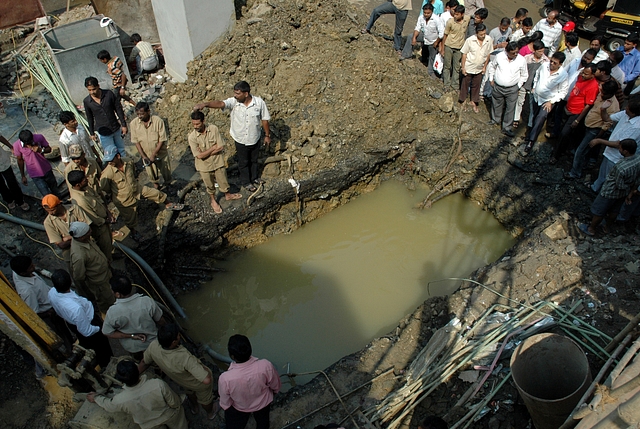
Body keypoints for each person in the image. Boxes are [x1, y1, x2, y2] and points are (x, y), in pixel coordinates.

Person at [194, 81, 271, 192]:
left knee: (254, 160)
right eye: (234, 93)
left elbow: (264, 119)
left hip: (254, 138)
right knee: (243, 162)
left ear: (246, 93)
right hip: (240, 139)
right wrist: (205, 104)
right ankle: (246, 182)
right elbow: (220, 103)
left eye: (238, 93)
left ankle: (255, 178)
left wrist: (267, 135)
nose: (235, 95)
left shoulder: (259, 103)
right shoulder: (234, 102)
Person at [99, 146, 183, 240]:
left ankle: (169, 204)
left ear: (118, 156)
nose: (109, 162)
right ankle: (134, 232)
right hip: (124, 199)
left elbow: (133, 172)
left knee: (155, 193)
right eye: (108, 160)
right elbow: (105, 188)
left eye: (111, 159)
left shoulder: (128, 161)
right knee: (130, 218)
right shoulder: (107, 173)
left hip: (137, 189)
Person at [139, 324, 218, 419]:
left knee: (189, 392)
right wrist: (207, 371)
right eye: (178, 335)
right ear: (174, 342)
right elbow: (206, 380)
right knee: (205, 399)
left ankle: (194, 408)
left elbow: (144, 362)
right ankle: (211, 412)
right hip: (198, 384)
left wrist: (133, 377)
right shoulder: (184, 357)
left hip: (181, 381)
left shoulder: (153, 346)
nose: (179, 336)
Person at [88, 360, 187, 429]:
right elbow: (174, 402)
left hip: (149, 424)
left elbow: (108, 405)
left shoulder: (120, 399)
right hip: (169, 415)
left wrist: (96, 397)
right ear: (137, 371)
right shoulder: (157, 384)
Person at [48, 269, 113, 368]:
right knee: (102, 349)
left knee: (87, 343)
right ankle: (108, 365)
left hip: (73, 324)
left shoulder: (52, 293)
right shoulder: (76, 309)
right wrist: (100, 328)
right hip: (89, 325)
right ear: (70, 281)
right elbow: (86, 331)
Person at [10, 255, 73, 353]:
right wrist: (48, 313)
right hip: (49, 314)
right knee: (61, 334)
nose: (34, 267)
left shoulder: (18, 272)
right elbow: (34, 313)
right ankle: (70, 351)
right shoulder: (27, 291)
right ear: (23, 273)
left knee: (64, 329)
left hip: (50, 302)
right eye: (31, 267)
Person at [218, 334, 281, 429]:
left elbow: (225, 403)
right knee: (263, 423)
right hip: (263, 404)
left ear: (232, 356)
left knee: (234, 424)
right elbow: (275, 386)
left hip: (240, 408)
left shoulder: (225, 378)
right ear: (250, 349)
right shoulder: (265, 365)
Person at [579, 139, 640, 236]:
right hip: (623, 193)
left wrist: (627, 188)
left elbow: (619, 185)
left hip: (610, 191)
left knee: (599, 210)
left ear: (625, 151)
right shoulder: (638, 159)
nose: (619, 149)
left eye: (620, 148)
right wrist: (630, 191)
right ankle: (606, 227)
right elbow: (637, 178)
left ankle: (591, 229)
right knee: (615, 210)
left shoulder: (620, 167)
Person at [188, 111, 243, 213]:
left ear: (203, 121)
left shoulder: (213, 129)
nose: (195, 126)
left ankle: (228, 195)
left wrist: (206, 153)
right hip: (204, 166)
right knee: (209, 185)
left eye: (198, 124)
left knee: (223, 180)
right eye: (193, 124)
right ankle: (213, 201)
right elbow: (199, 156)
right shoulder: (192, 137)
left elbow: (220, 147)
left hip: (218, 163)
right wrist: (212, 149)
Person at [568, 80, 620, 178]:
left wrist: (598, 137)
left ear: (610, 93)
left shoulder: (613, 106)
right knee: (585, 150)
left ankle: (575, 173)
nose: (601, 92)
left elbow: (608, 124)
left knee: (581, 150)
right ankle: (582, 165)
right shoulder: (601, 95)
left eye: (603, 92)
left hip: (595, 130)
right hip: (588, 125)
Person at [102, 275, 164, 358]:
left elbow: (107, 332)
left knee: (140, 360)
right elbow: (161, 321)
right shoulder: (146, 301)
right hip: (153, 342)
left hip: (133, 348)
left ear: (118, 294)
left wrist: (131, 335)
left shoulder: (112, 312)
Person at [550, 63, 599, 164]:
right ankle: (562, 149)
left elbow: (588, 105)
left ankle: (556, 155)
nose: (583, 75)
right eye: (583, 72)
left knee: (564, 133)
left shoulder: (593, 86)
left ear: (593, 75)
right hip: (568, 108)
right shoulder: (581, 78)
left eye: (586, 74)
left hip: (576, 113)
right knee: (562, 130)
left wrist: (577, 120)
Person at [589, 97, 640, 192]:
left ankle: (602, 195)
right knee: (603, 173)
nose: (625, 108)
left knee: (610, 178)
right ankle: (595, 188)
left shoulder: (637, 127)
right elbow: (607, 119)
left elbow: (620, 144)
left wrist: (599, 141)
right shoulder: (625, 114)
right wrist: (603, 109)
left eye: (628, 108)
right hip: (610, 151)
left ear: (633, 113)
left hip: (617, 157)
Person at [522, 51, 569, 154]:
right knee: (533, 116)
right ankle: (528, 135)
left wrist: (551, 102)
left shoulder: (563, 75)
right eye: (551, 61)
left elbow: (563, 92)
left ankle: (531, 141)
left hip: (547, 101)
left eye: (555, 63)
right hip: (536, 97)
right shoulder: (544, 66)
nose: (551, 64)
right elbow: (537, 75)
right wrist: (534, 87)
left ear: (560, 64)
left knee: (540, 119)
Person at [68, 221, 115, 314]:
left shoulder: (85, 239)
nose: (91, 231)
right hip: (99, 282)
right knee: (107, 300)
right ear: (81, 237)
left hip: (105, 274)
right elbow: (79, 276)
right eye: (88, 232)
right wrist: (92, 280)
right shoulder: (79, 255)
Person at [67, 170, 114, 262]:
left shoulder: (86, 188)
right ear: (77, 185)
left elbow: (98, 198)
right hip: (100, 228)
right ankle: (109, 264)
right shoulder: (80, 200)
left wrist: (108, 213)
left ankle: (111, 255)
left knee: (109, 244)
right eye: (84, 180)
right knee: (104, 248)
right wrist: (107, 221)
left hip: (105, 221)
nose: (87, 180)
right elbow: (94, 219)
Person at [487, 42, 528, 137]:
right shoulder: (499, 56)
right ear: (507, 51)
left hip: (512, 88)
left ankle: (507, 127)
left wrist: (518, 86)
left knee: (510, 108)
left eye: (517, 52)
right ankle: (495, 120)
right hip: (498, 86)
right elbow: (492, 67)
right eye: (513, 53)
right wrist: (491, 79)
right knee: (496, 103)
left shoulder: (521, 60)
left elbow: (524, 75)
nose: (515, 54)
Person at [130, 102, 172, 189]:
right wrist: (144, 156)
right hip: (146, 154)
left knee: (166, 172)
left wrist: (154, 154)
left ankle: (168, 184)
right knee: (151, 174)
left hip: (161, 153)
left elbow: (162, 139)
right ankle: (157, 186)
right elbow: (136, 142)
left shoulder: (158, 121)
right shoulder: (133, 124)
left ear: (148, 111)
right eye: (138, 114)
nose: (139, 116)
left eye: (142, 114)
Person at [83, 76, 127, 157]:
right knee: (110, 154)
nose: (92, 92)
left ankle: (126, 166)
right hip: (103, 132)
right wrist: (91, 133)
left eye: (94, 89)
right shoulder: (87, 101)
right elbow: (90, 117)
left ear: (98, 86)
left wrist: (123, 125)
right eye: (89, 90)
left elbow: (118, 109)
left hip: (115, 128)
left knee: (121, 150)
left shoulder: (109, 94)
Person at [43, 194, 92, 264]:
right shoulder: (48, 223)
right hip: (72, 255)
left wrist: (68, 238)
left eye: (52, 210)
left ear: (59, 204)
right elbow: (61, 245)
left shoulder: (74, 209)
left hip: (89, 246)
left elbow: (88, 229)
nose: (50, 213)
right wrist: (80, 235)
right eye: (47, 211)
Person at [13, 130, 58, 197]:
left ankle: (61, 202)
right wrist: (23, 176)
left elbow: (49, 149)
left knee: (55, 189)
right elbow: (20, 160)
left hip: (46, 169)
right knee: (47, 195)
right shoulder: (16, 145)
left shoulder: (39, 137)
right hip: (35, 174)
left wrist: (41, 150)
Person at [514, 41, 549, 130]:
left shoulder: (545, 62)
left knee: (531, 106)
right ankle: (516, 119)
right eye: (539, 51)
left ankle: (530, 124)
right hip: (524, 84)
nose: (541, 53)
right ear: (534, 50)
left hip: (534, 88)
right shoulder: (526, 58)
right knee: (519, 102)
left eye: (542, 51)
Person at [401, 3, 444, 72]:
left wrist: (437, 42)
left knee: (431, 57)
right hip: (425, 36)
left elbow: (441, 33)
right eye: (425, 13)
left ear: (432, 12)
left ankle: (430, 71)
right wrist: (414, 38)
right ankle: (406, 54)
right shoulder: (421, 17)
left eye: (428, 13)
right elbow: (417, 28)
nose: (426, 15)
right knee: (410, 36)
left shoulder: (437, 19)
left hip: (433, 40)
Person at [459, 24, 493, 112]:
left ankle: (473, 101)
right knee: (465, 84)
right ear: (476, 33)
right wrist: (463, 67)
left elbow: (488, 53)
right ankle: (463, 100)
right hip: (469, 66)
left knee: (476, 85)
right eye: (481, 34)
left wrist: (485, 66)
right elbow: (464, 54)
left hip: (480, 67)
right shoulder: (470, 40)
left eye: (484, 34)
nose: (483, 36)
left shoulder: (488, 40)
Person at [441, 5, 470, 91]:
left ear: (462, 14)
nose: (455, 16)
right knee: (447, 66)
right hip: (449, 46)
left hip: (459, 48)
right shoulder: (450, 22)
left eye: (457, 14)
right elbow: (445, 35)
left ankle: (455, 85)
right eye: (454, 14)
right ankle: (446, 84)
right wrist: (442, 48)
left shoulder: (466, 19)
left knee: (457, 67)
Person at [0, 132, 29, 211]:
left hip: (2, 160)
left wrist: (10, 146)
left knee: (11, 181)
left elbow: (0, 137)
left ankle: (20, 201)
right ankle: (9, 199)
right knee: (0, 185)